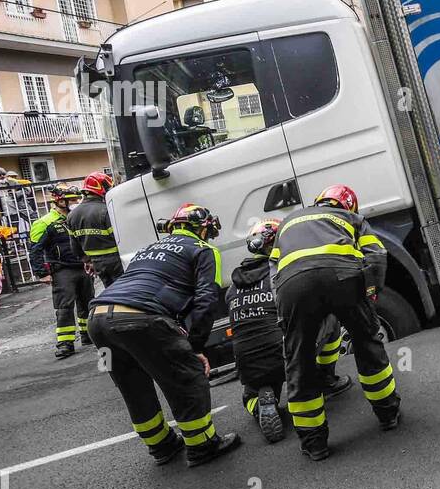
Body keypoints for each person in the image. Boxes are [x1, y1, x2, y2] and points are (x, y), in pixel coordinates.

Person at [86, 203, 240, 467]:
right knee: (187, 377)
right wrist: (195, 347)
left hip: (98, 319)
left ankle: (162, 446)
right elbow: (206, 300)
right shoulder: (204, 250)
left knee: (133, 386)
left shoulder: (147, 250)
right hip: (140, 319)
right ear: (203, 229)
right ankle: (202, 445)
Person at [271, 185, 398, 461]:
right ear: (348, 206)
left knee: (299, 361)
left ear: (318, 202)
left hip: (293, 286)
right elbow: (376, 255)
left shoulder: (288, 221)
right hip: (343, 277)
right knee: (367, 343)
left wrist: (285, 309)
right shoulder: (351, 219)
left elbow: (274, 270)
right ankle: (388, 414)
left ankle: (314, 443)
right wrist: (370, 295)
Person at [226, 219, 351, 443]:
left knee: (250, 394)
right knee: (330, 319)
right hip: (284, 354)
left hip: (247, 363)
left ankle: (261, 402)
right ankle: (326, 379)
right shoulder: (283, 272)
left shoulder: (233, 287)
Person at [29, 184, 93, 358]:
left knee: (87, 302)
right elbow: (35, 249)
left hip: (83, 266)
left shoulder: (76, 217)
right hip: (62, 269)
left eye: (76, 199)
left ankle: (88, 335)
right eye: (71, 199)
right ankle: (65, 343)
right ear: (59, 200)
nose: (75, 202)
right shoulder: (44, 222)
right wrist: (42, 273)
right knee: (64, 306)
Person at [67, 171, 124, 286]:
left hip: (96, 262)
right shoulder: (105, 210)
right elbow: (119, 237)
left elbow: (74, 246)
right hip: (116, 260)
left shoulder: (72, 215)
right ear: (101, 188)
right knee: (125, 291)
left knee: (110, 292)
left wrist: (87, 261)